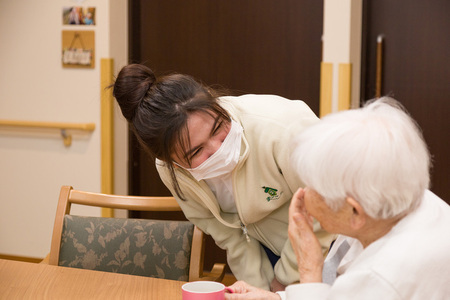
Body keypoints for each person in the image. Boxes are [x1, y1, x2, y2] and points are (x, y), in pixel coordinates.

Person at [111, 64, 334, 291]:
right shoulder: (171, 171)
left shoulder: (285, 128)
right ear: (172, 161)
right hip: (267, 251)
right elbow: (229, 235)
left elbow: (325, 209)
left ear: (216, 104)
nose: (218, 149)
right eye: (196, 152)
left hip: (328, 245)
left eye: (218, 127)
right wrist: (258, 289)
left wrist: (285, 279)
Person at [225, 97, 450, 299]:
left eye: (313, 186)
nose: (303, 193)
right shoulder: (403, 202)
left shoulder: (381, 278)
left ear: (354, 211)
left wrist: (308, 269)